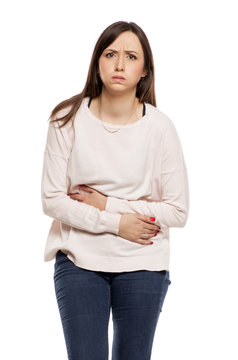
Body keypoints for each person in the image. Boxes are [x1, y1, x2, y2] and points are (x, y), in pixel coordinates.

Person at [41, 20, 189, 360]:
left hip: (143, 262)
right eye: (110, 54)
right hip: (79, 259)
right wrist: (116, 223)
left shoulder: (161, 128)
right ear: (98, 62)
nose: (119, 64)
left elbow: (178, 211)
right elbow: (52, 200)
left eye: (131, 56)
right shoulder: (66, 118)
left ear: (144, 71)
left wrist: (109, 204)